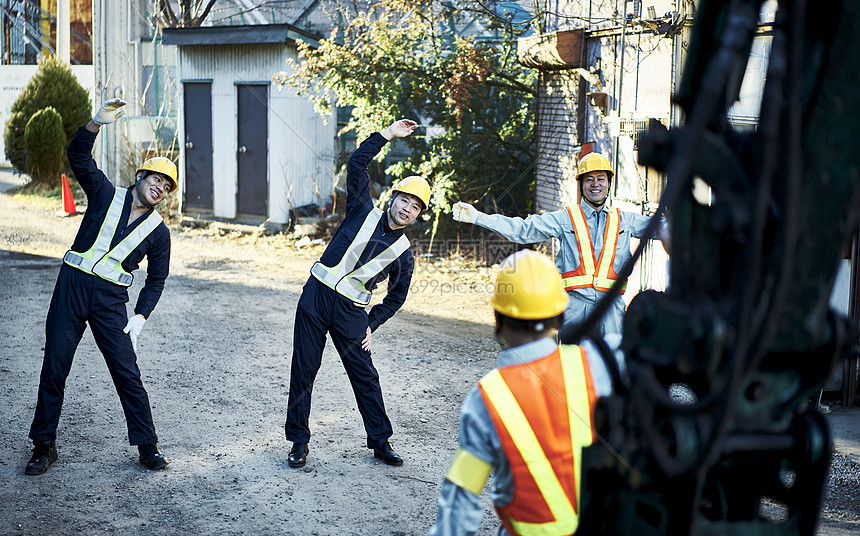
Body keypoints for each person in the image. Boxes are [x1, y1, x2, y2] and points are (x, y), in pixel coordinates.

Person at [26, 98, 176, 474]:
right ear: (140, 177)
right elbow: (78, 155)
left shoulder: (159, 233)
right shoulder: (106, 193)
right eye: (155, 179)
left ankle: (148, 446)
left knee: (128, 372)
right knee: (55, 365)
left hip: (110, 301)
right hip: (72, 288)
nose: (159, 187)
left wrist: (140, 316)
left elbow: (157, 279)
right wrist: (95, 123)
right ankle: (43, 446)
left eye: (166, 187)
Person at [428, 250, 619, 536]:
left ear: (497, 317)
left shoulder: (484, 402)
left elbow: (460, 504)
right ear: (560, 318)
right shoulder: (597, 362)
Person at [284, 119, 431, 468]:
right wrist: (387, 135)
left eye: (415, 206)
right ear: (393, 197)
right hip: (316, 297)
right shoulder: (362, 208)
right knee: (304, 369)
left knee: (365, 375)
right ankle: (298, 442)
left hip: (351, 312)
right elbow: (357, 163)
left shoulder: (405, 254)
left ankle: (381, 442)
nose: (407, 208)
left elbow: (396, 298)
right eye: (404, 200)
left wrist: (371, 323)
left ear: (418, 215)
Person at [453, 152, 661, 335]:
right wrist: (478, 217)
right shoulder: (566, 218)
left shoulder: (625, 220)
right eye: (589, 179)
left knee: (612, 368)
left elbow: (665, 229)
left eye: (600, 179)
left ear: (608, 183)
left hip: (612, 307)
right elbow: (523, 230)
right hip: (574, 306)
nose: (595, 184)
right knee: (571, 369)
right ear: (581, 184)